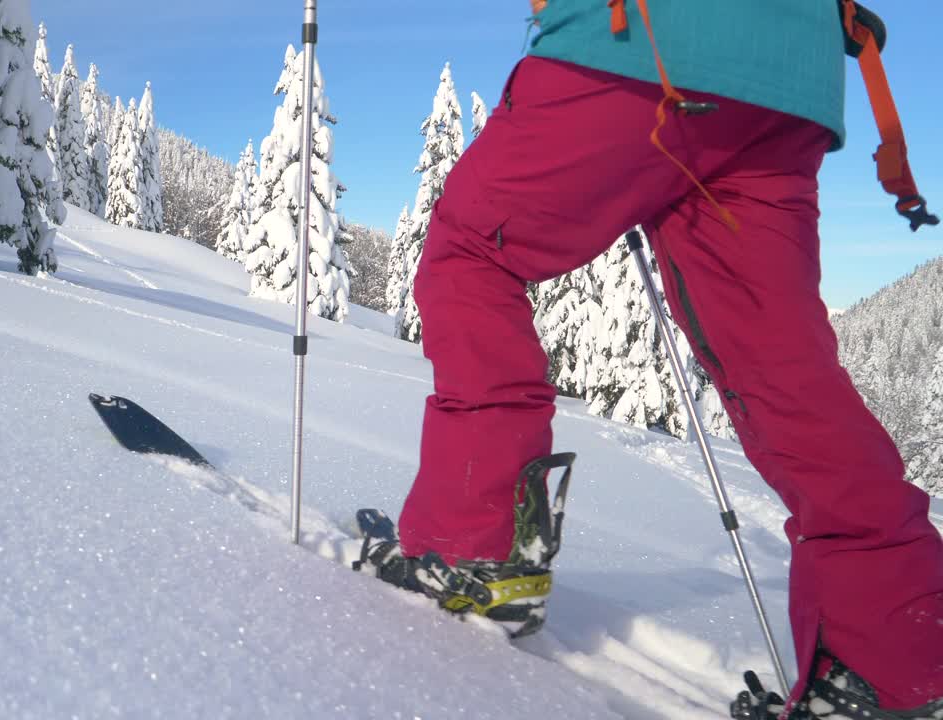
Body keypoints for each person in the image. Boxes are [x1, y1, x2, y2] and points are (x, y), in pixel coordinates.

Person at [354, 0, 943, 717]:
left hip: (636, 46)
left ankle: (476, 545)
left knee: (472, 252)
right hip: (791, 87)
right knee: (780, 363)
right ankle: (894, 664)